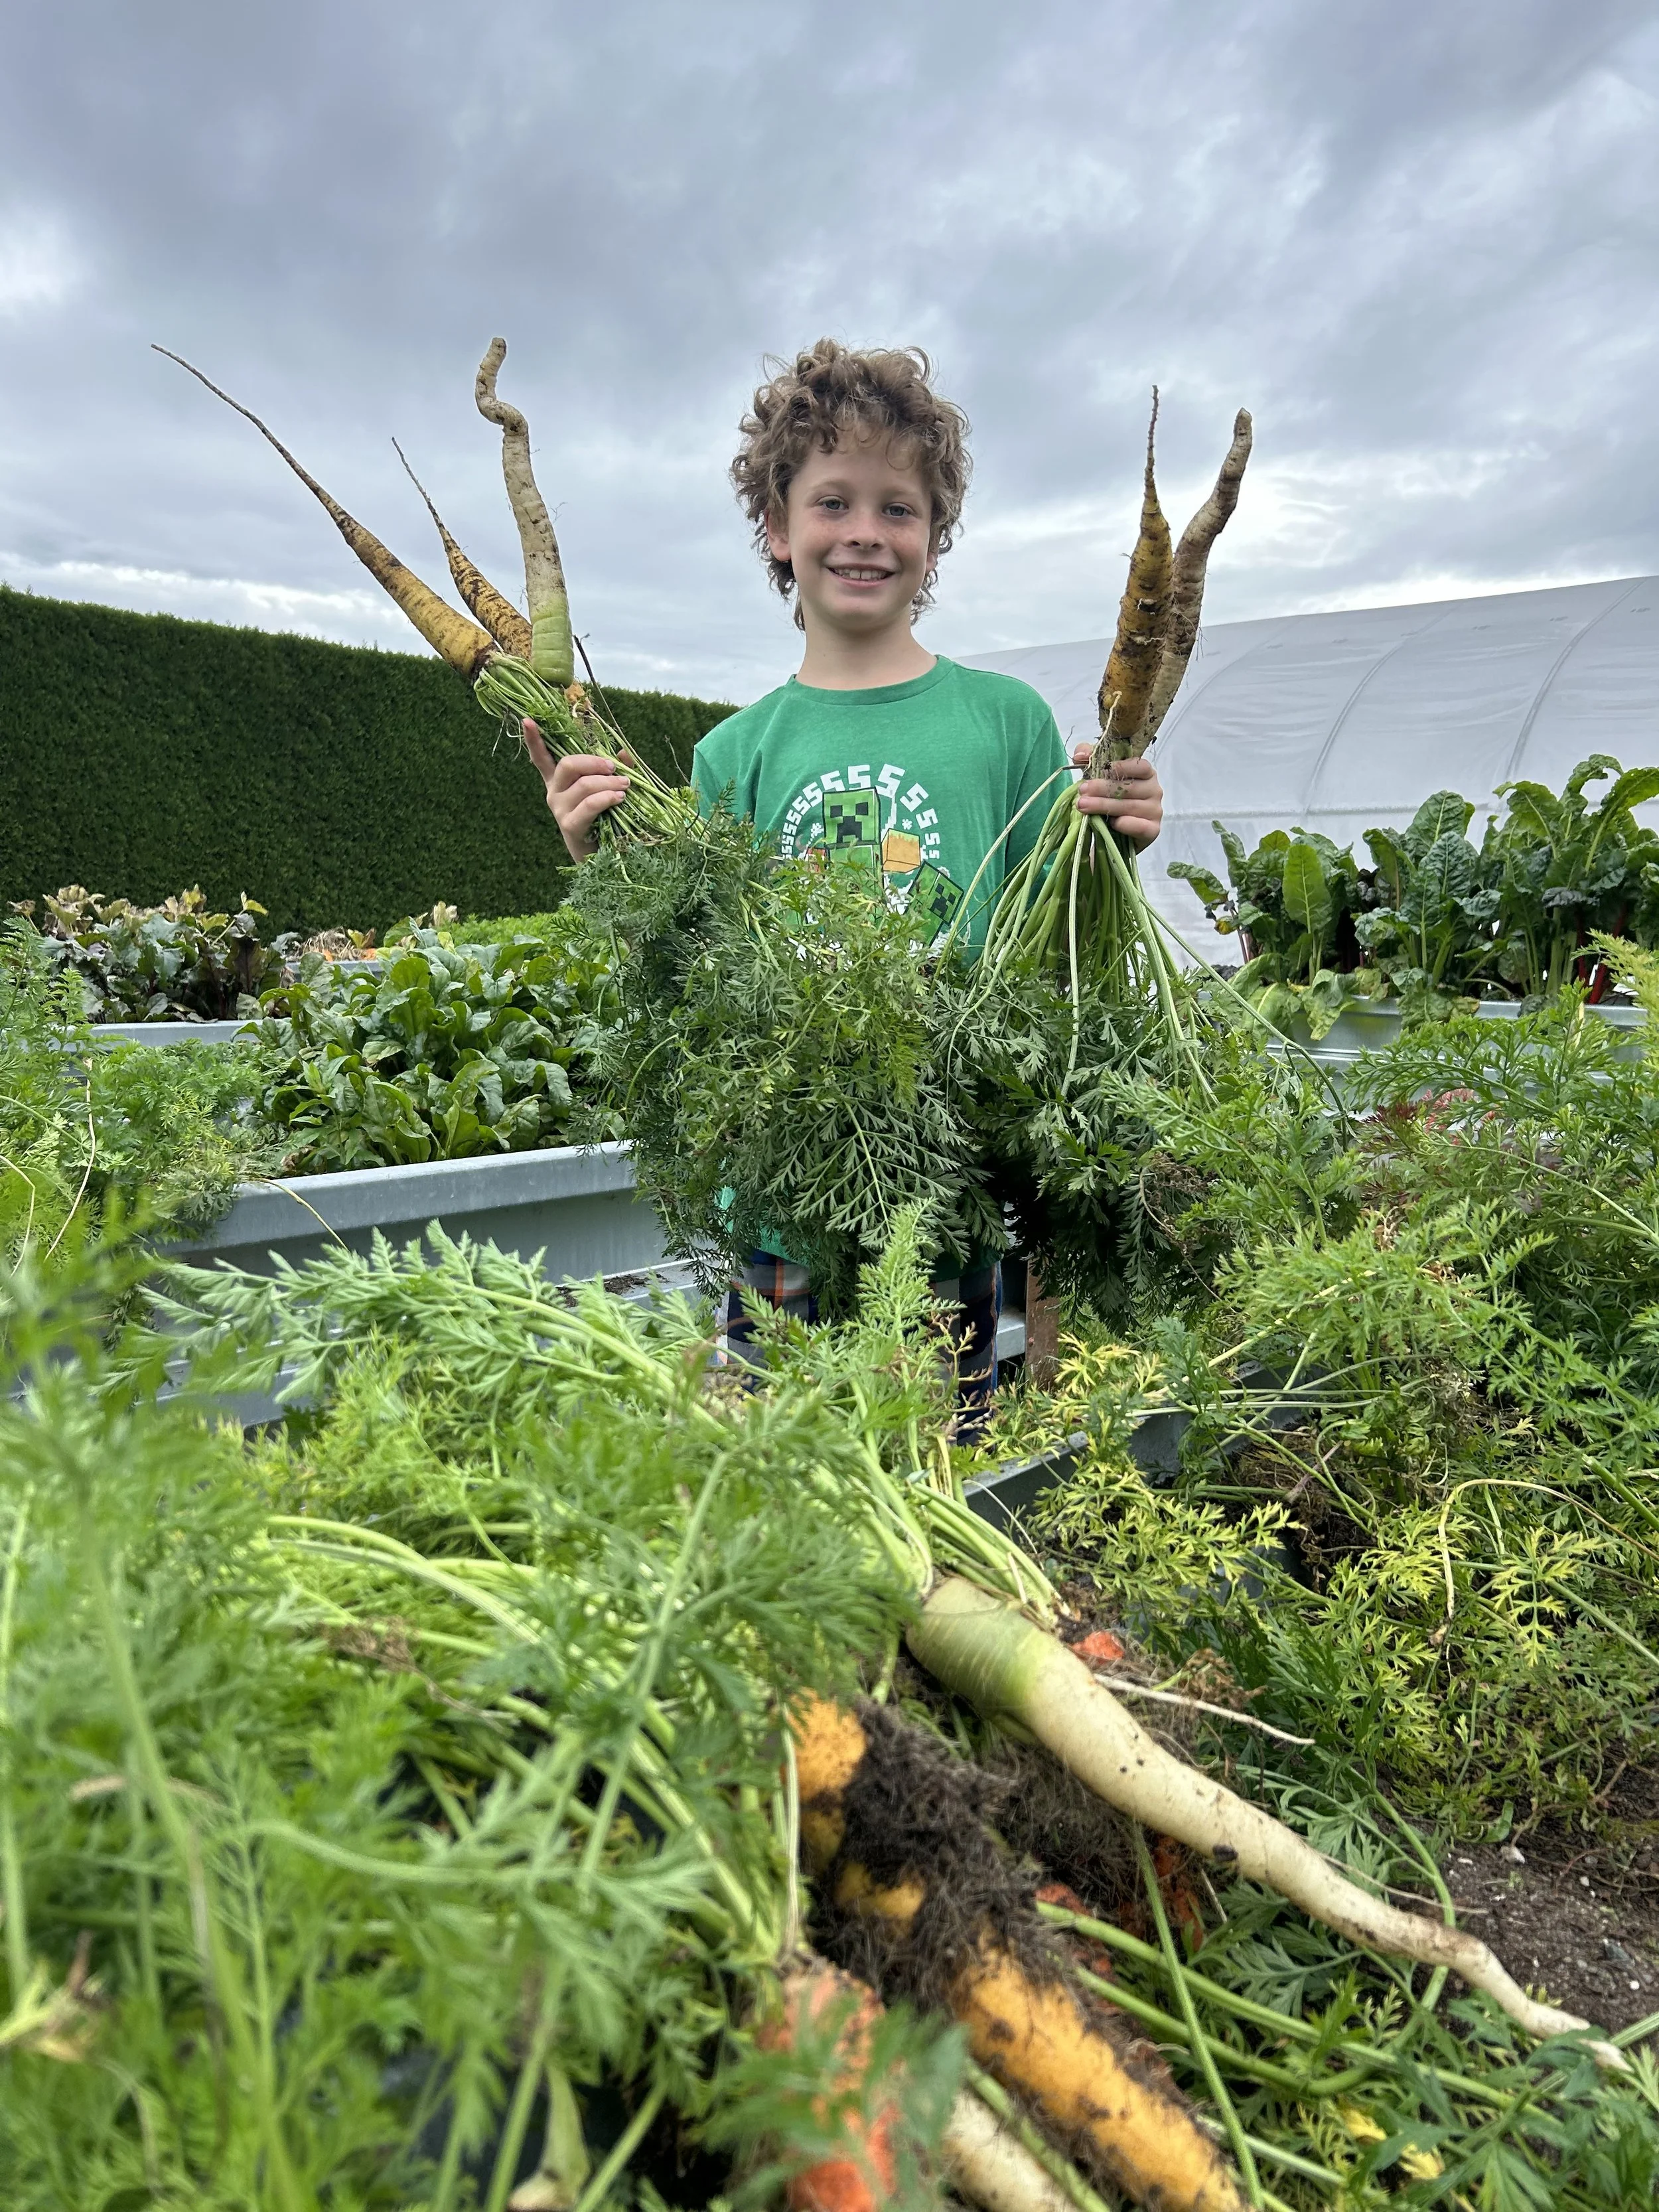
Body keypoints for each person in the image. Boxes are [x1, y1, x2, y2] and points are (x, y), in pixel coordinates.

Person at [524, 339, 1163, 1417]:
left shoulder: (1005, 722)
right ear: (778, 529)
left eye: (898, 508)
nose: (865, 532)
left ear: (933, 537)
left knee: (936, 1448)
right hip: (780, 1178)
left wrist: (1116, 836)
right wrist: (603, 861)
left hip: (947, 1171)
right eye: (833, 503)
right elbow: (692, 972)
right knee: (784, 1459)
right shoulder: (735, 752)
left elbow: (1054, 941)